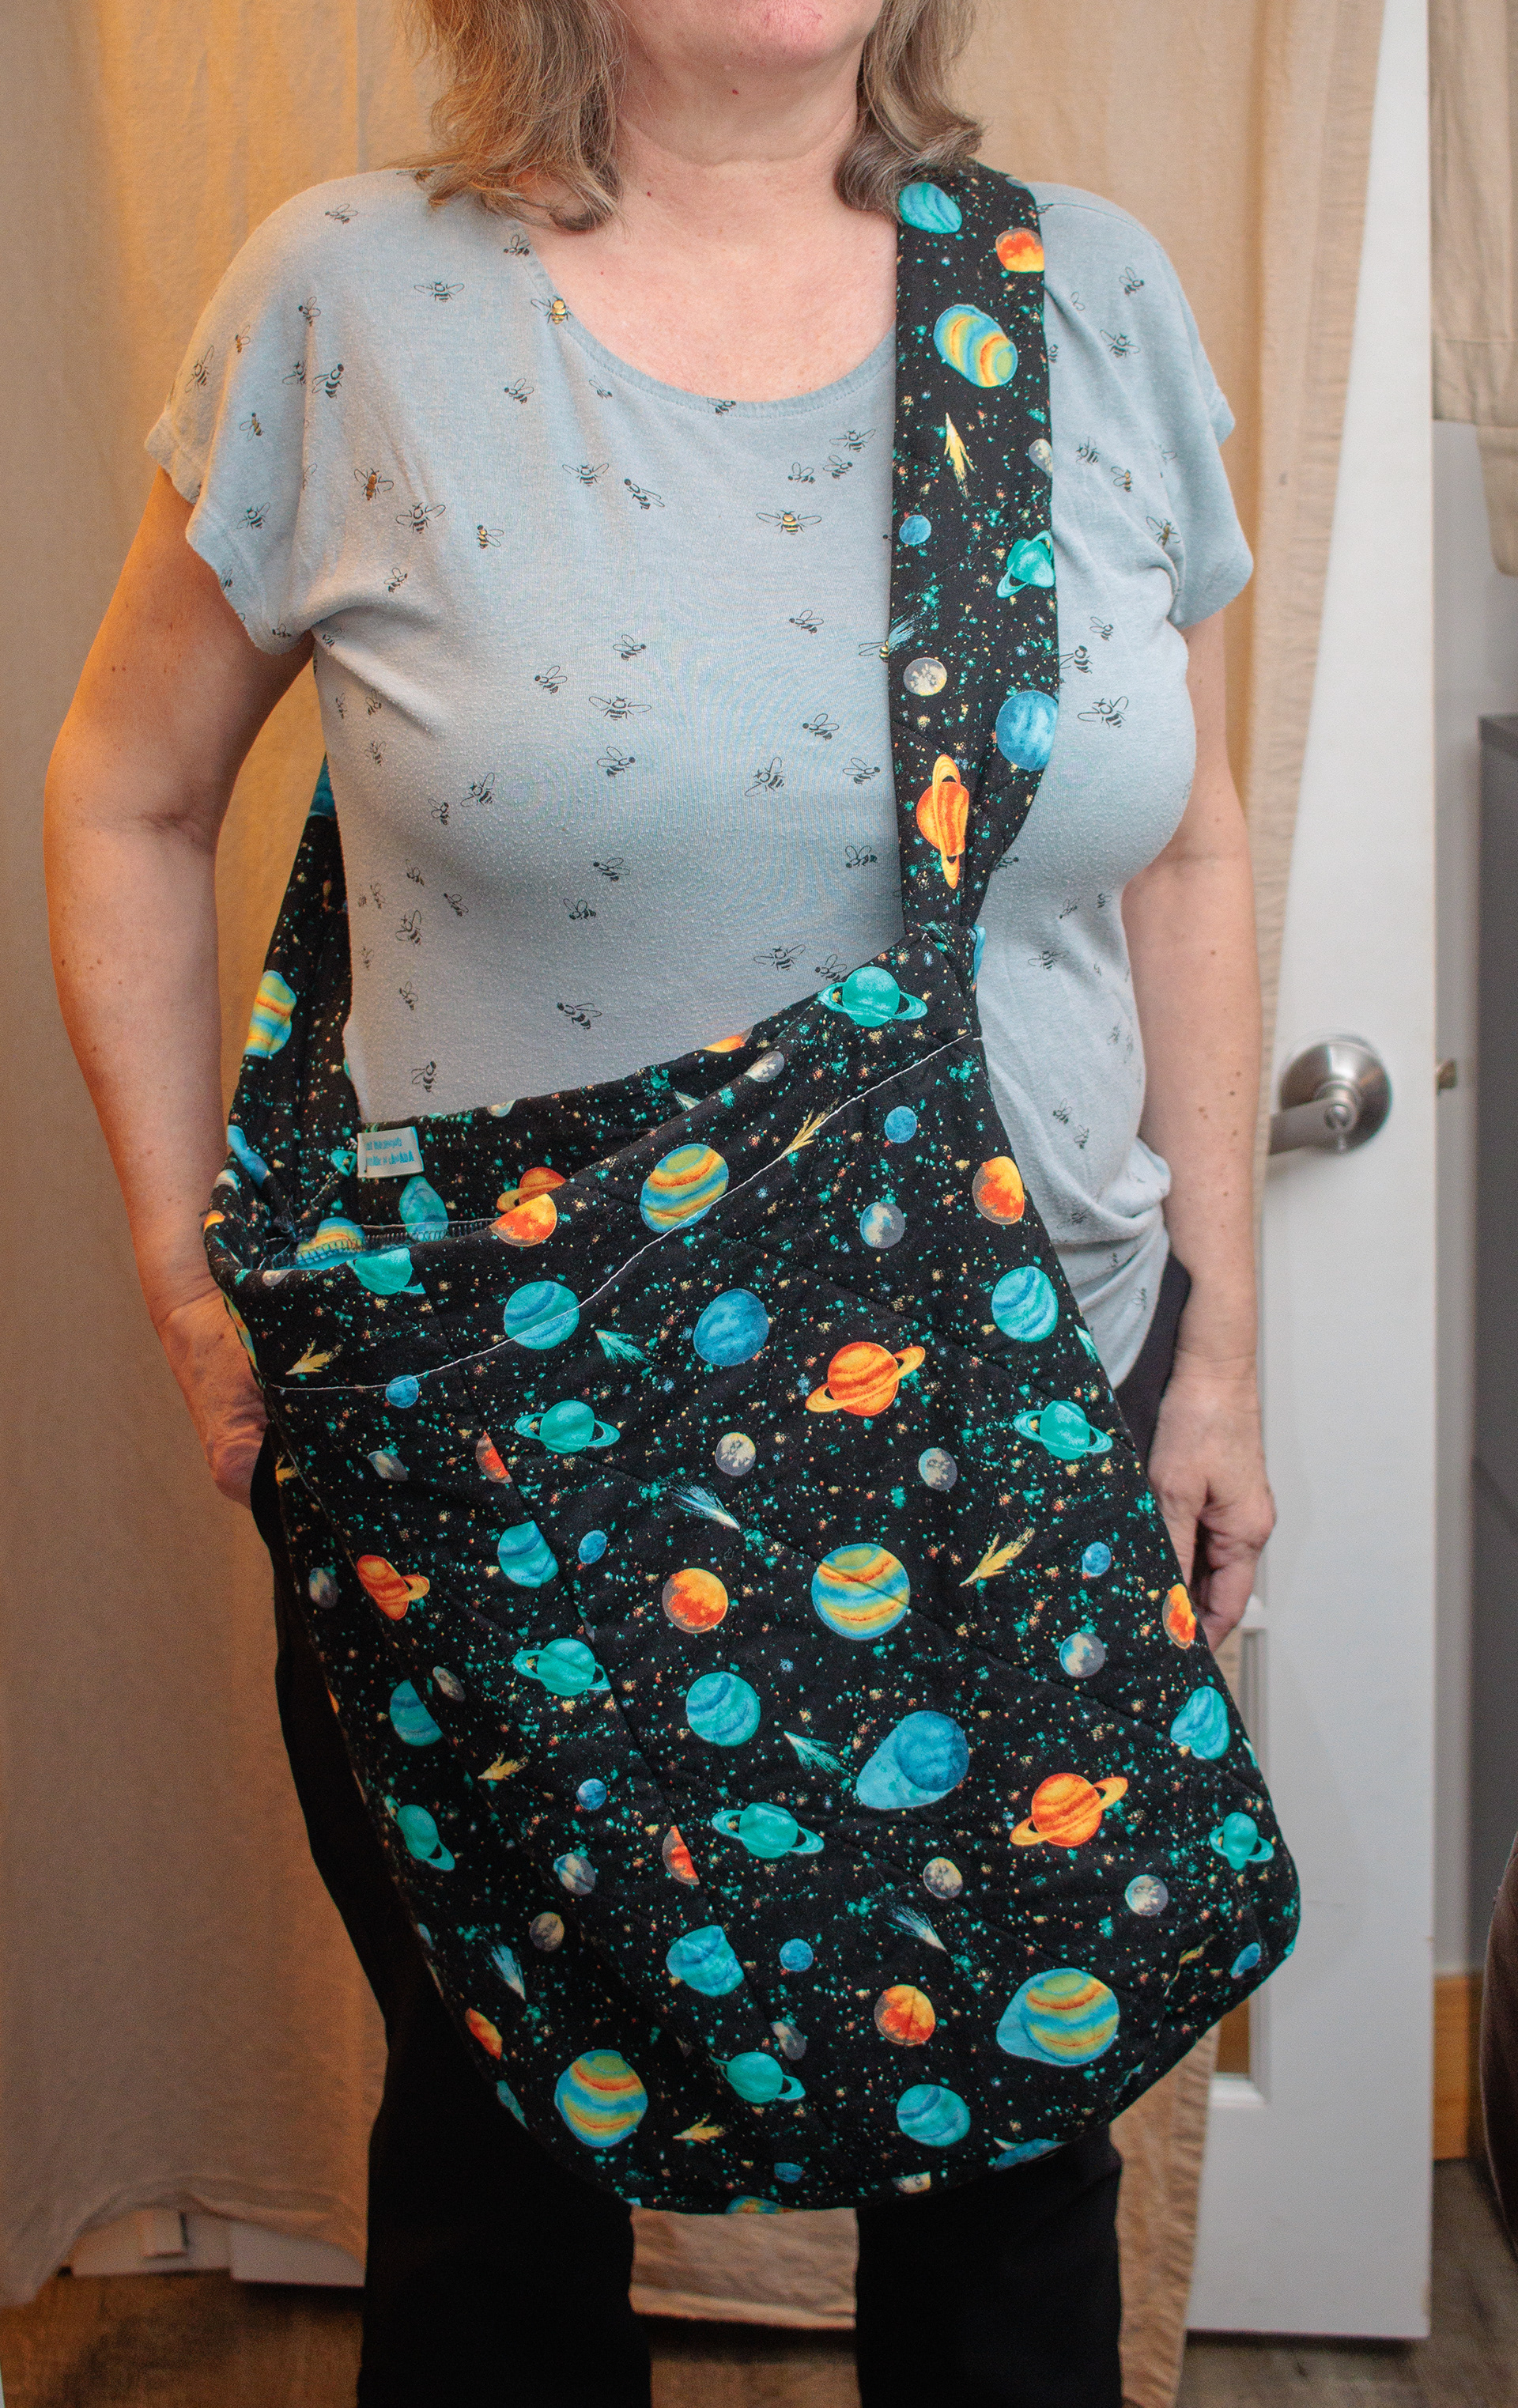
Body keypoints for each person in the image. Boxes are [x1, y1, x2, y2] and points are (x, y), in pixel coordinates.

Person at [44, 2, 1274, 2399]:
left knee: (1018, 2175)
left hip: (1036, 1396)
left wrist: (1217, 1345)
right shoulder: (352, 299)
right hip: (519, 1449)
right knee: (502, 2157)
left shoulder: (1088, 298)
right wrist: (192, 1277)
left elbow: (1187, 845)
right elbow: (125, 790)